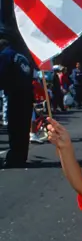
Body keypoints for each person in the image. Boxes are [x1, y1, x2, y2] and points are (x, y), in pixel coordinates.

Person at [0, 38, 34, 168]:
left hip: (16, 94)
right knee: (24, 128)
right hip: (27, 94)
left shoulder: (5, 55)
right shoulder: (21, 56)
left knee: (14, 127)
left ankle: (14, 157)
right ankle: (21, 156)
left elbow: (1, 74)